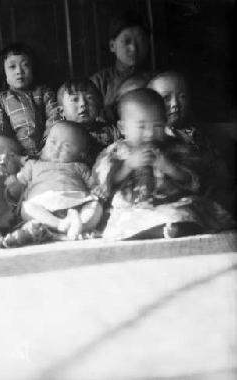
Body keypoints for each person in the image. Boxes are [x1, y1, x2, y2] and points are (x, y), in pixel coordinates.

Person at [92, 88, 235, 240]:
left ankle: (174, 227)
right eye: (141, 127)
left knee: (188, 209)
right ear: (122, 128)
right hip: (134, 206)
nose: (150, 133)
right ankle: (159, 229)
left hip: (171, 202)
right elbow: (104, 181)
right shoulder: (117, 152)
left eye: (158, 126)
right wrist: (127, 166)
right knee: (124, 218)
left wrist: (167, 166)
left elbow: (191, 178)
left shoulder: (174, 147)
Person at [148, 70, 233, 208]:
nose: (175, 103)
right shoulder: (155, 136)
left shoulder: (197, 133)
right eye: (166, 98)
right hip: (172, 195)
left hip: (206, 189)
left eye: (182, 96)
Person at [7, 121, 103, 240]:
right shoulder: (33, 164)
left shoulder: (79, 167)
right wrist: (12, 183)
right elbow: (19, 183)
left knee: (96, 205)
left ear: (81, 155)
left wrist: (97, 189)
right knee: (26, 208)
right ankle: (61, 225)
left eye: (66, 146)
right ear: (44, 143)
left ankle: (82, 225)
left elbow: (93, 185)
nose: (57, 148)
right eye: (53, 142)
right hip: (43, 203)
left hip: (76, 201)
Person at [0, 42, 60, 158]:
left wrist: (47, 149)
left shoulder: (44, 92)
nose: (19, 71)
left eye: (25, 65)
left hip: (48, 152)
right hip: (17, 156)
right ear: (4, 73)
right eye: (12, 67)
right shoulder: (0, 99)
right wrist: (13, 154)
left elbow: (55, 119)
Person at [90, 10, 151, 116]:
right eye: (127, 42)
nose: (133, 48)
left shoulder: (157, 79)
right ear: (112, 46)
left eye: (141, 41)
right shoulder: (98, 82)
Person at [58, 78, 121, 164]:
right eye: (75, 99)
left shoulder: (111, 132)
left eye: (89, 98)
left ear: (98, 105)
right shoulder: (58, 134)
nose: (83, 103)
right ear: (62, 111)